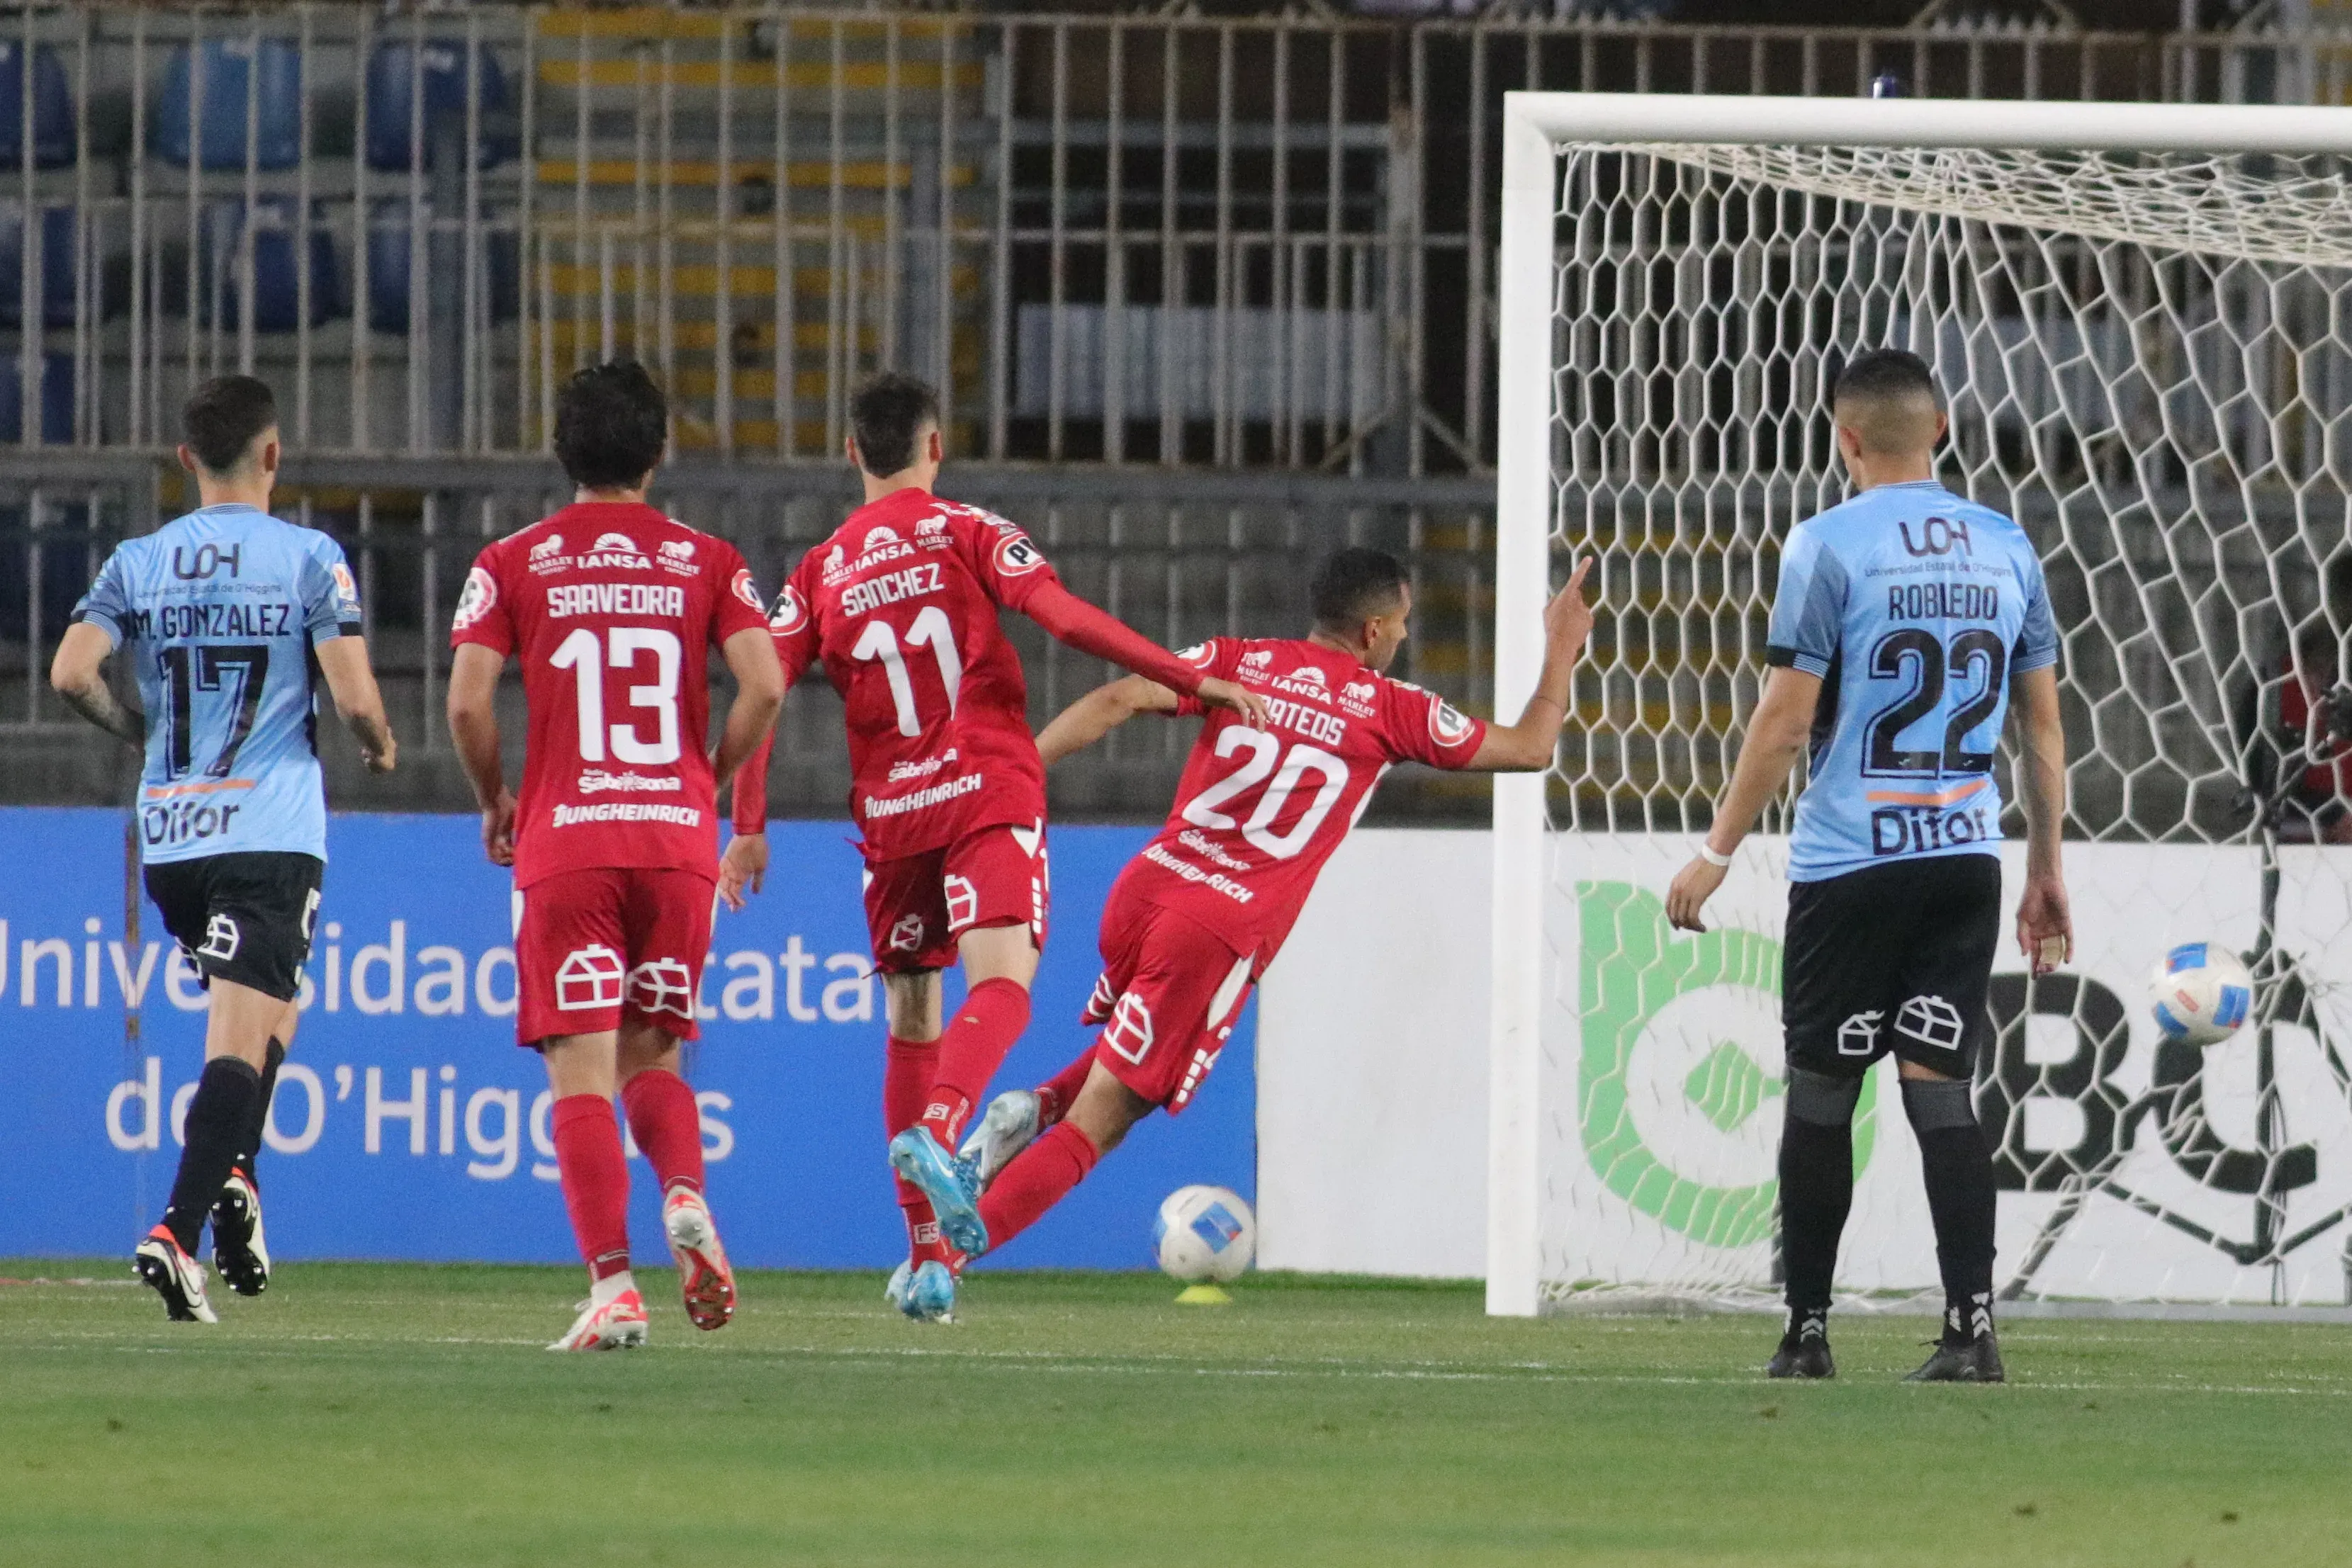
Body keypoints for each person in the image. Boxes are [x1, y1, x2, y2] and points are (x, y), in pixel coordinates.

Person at [719, 371, 1268, 1324]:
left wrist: (749, 824)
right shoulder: (966, 529)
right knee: (1004, 988)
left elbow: (761, 688)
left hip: (892, 815)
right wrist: (1185, 676)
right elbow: (1059, 616)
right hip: (982, 786)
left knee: (911, 1018)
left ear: (852, 453)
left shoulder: (818, 571)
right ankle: (940, 1130)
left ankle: (927, 1259)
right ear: (935, 448)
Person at [911, 546, 1593, 1298]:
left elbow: (1118, 699)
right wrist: (1561, 647)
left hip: (1143, 888)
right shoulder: (1394, 708)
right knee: (1105, 1117)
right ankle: (940, 1265)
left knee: (1123, 1060)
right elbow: (1531, 748)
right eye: (1399, 624)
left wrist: (1017, 779)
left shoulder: (1237, 661)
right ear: (1371, 630)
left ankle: (1030, 1104)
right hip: (1215, 928)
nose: (1402, 637)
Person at [1663, 348, 2071, 1384]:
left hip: (1851, 863)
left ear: (1842, 436)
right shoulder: (2005, 545)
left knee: (1820, 1090)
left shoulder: (1825, 543)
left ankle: (1805, 1335)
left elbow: (1784, 718)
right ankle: (1970, 1330)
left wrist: (1717, 851)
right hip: (1961, 861)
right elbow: (2041, 732)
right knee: (1941, 1091)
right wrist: (2042, 870)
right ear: (1938, 428)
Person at [446, 363, 783, 1351]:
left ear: (562, 452)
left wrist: (494, 797)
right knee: (654, 1050)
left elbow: (467, 700)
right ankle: (684, 1190)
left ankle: (612, 1287)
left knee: (579, 1073)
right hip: (675, 841)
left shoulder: (512, 559)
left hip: (571, 841)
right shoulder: (707, 558)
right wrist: (708, 777)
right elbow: (763, 685)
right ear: (658, 451)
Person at [50, 374, 397, 1322]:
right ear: (273, 455)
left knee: (279, 1000)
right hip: (270, 833)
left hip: (170, 842)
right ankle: (177, 1230)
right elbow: (357, 696)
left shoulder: (137, 560)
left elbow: (70, 672)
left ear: (185, 461)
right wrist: (375, 742)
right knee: (238, 1039)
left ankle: (237, 1173)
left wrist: (141, 734)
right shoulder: (309, 558)